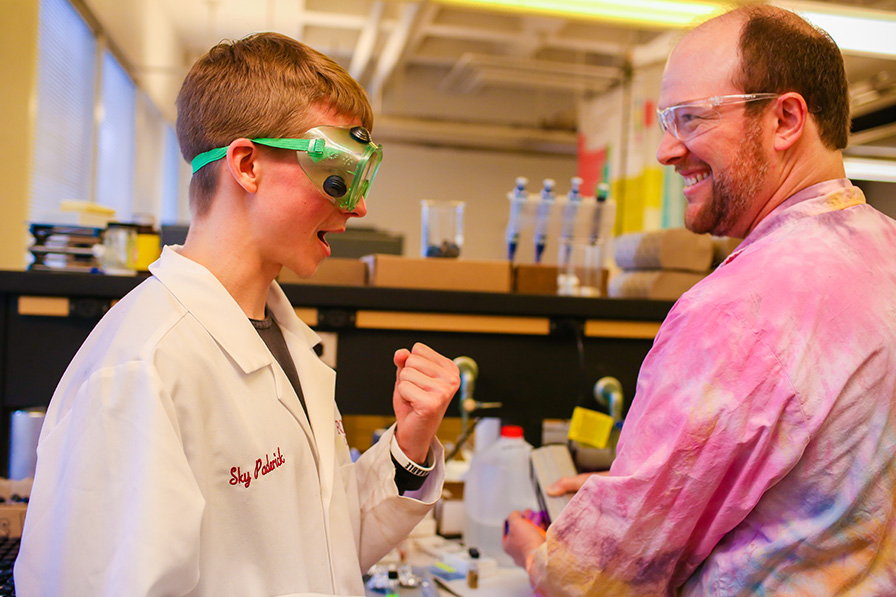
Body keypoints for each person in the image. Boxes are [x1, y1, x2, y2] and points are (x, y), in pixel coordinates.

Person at [15, 33, 460, 596]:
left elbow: (319, 549)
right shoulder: (142, 370)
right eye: (341, 172)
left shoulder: (283, 340)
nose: (359, 205)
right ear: (247, 164)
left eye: (363, 175)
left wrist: (410, 447)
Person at [503, 4, 896, 595]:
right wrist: (653, 489)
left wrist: (540, 555)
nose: (666, 151)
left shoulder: (740, 308)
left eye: (690, 118)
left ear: (786, 119)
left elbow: (604, 579)